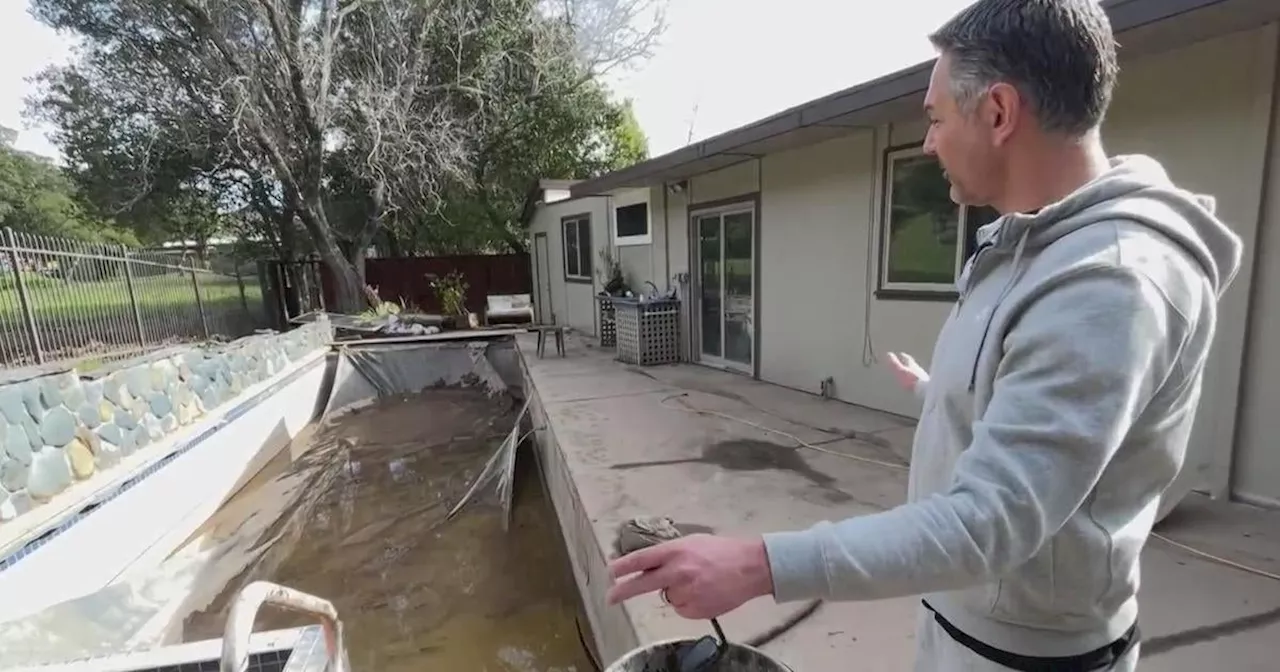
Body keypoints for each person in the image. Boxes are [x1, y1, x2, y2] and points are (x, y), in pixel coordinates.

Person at [604, 0, 1244, 670]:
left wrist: (760, 563)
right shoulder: (1020, 246)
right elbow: (1030, 414)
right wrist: (940, 394)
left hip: (1026, 657)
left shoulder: (1109, 283)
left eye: (936, 118)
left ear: (997, 112)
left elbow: (988, 521)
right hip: (962, 623)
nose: (928, 142)